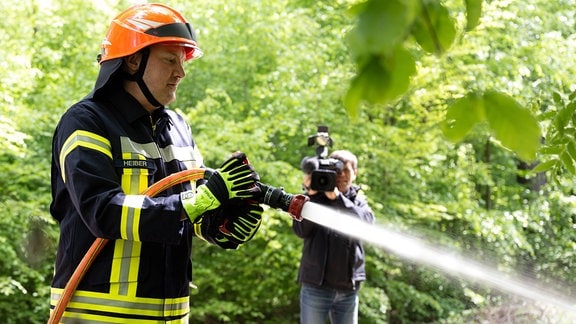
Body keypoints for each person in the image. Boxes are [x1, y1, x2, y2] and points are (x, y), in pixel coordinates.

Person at [49, 3, 263, 322]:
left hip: (172, 315)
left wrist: (223, 221)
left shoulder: (178, 128)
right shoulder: (86, 122)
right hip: (100, 315)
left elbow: (191, 212)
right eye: (169, 60)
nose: (181, 72)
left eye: (183, 61)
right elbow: (102, 211)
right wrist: (198, 201)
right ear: (133, 60)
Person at [293, 149, 375, 324]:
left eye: (347, 170)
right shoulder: (315, 197)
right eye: (338, 171)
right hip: (316, 286)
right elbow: (300, 230)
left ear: (355, 173)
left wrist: (338, 199)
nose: (342, 175)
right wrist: (311, 196)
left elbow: (366, 225)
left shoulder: (357, 200)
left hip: (348, 288)